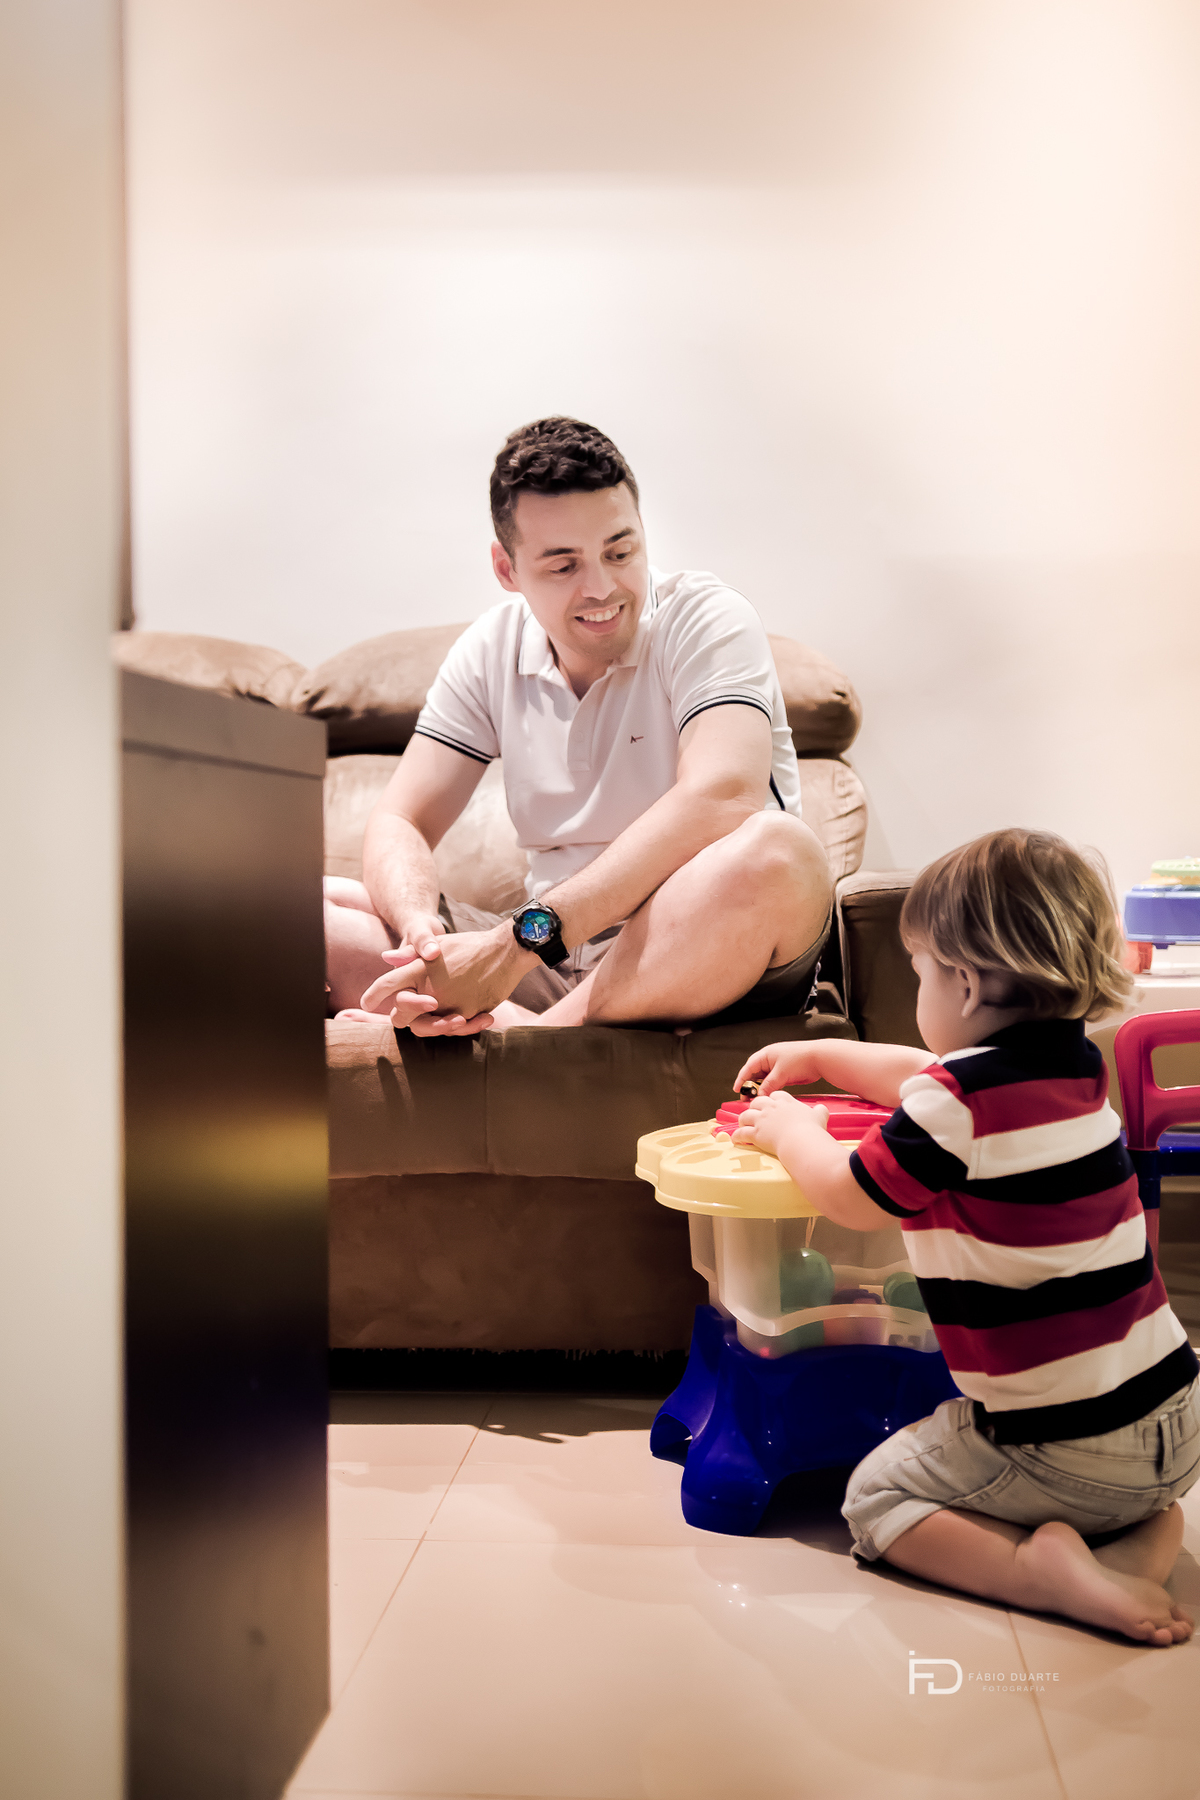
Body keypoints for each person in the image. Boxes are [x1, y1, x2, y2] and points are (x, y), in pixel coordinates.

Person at [729, 828, 1200, 1646]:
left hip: (1065, 1447)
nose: (917, 988)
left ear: (968, 984)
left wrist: (791, 1130)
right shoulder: (1076, 1068)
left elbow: (850, 1194)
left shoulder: (957, 1107)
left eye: (919, 972)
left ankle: (1033, 1572)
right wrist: (824, 1054)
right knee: (1143, 1498)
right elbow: (926, 1074)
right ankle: (1134, 1550)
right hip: (1178, 1424)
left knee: (875, 1498)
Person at [325, 416, 832, 1033]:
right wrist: (421, 937)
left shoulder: (706, 618)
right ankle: (531, 1026)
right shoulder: (489, 648)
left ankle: (538, 1040)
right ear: (507, 569)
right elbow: (401, 819)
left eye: (620, 552)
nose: (602, 588)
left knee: (778, 853)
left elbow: (722, 799)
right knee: (306, 909)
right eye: (563, 566)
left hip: (696, 945)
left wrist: (512, 946)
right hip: (553, 961)